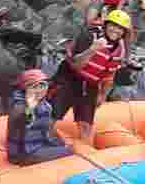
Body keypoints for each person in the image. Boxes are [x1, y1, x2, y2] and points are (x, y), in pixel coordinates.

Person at [49, 8, 132, 142]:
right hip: (69, 77)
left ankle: (86, 152)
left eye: (120, 28)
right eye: (113, 25)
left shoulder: (119, 48)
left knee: (86, 124)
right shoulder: (89, 36)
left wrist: (102, 95)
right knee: (53, 115)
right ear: (106, 25)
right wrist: (93, 49)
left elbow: (109, 76)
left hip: (90, 84)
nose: (116, 30)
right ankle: (42, 140)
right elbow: (76, 64)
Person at [6, 69, 75, 165]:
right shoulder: (18, 105)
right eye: (35, 86)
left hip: (38, 147)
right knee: (69, 152)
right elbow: (23, 118)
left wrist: (62, 144)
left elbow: (48, 130)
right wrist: (30, 105)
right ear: (25, 88)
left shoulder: (45, 104)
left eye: (44, 85)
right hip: (24, 154)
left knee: (68, 148)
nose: (41, 89)